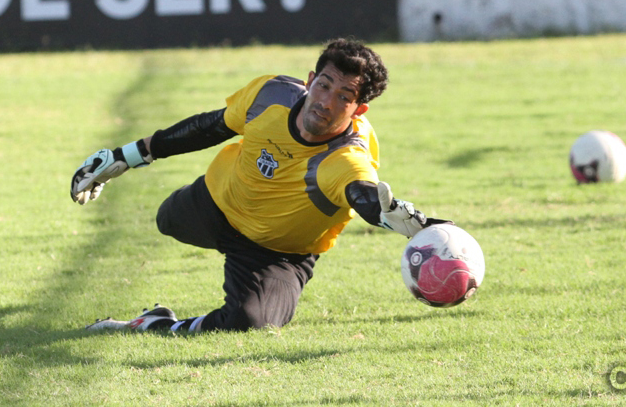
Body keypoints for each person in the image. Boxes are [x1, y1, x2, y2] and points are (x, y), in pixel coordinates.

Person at [72, 38, 446, 333]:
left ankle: (157, 325)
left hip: (277, 251)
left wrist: (398, 218)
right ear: (310, 80)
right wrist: (127, 156)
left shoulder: (345, 158)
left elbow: (361, 193)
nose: (325, 102)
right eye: (325, 85)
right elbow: (210, 127)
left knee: (251, 322)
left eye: (344, 97)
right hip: (216, 204)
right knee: (167, 219)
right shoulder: (271, 95)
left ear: (359, 110)